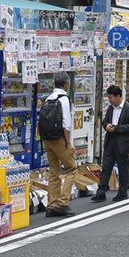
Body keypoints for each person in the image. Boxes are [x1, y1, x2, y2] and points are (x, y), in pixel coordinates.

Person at [92, 85, 129, 203]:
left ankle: (123, 192)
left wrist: (117, 128)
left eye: (111, 97)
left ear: (118, 96)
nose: (110, 100)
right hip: (110, 140)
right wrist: (106, 125)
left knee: (122, 167)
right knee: (106, 166)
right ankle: (101, 191)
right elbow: (105, 120)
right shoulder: (111, 108)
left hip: (122, 142)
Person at [42, 71, 76, 217]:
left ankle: (51, 205)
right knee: (72, 169)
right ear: (67, 84)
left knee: (54, 172)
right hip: (59, 139)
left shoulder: (48, 98)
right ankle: (62, 203)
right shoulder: (63, 99)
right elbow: (66, 124)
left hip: (47, 139)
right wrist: (69, 143)